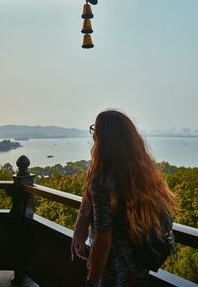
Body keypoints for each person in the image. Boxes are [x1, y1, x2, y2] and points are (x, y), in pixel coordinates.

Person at [71, 109, 176, 287]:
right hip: (139, 266)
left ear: (103, 138)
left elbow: (103, 239)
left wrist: (91, 279)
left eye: (95, 130)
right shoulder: (142, 172)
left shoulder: (103, 179)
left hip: (116, 269)